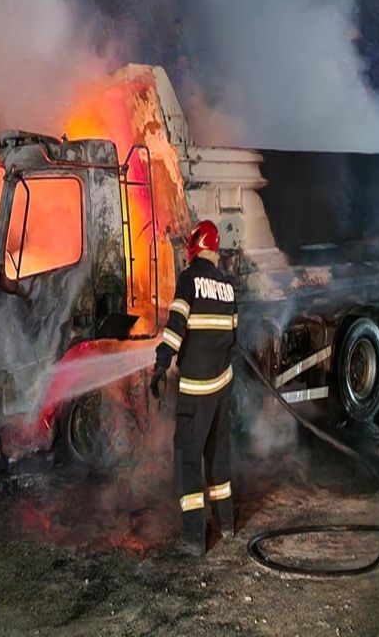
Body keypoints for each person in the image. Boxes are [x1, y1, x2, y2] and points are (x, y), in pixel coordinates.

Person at [150, 219, 237, 555]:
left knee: (189, 457)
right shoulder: (228, 285)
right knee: (219, 458)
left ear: (194, 248)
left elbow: (175, 327)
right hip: (222, 386)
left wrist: (161, 365)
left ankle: (193, 538)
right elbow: (233, 336)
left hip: (196, 388)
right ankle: (226, 524)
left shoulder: (188, 280)